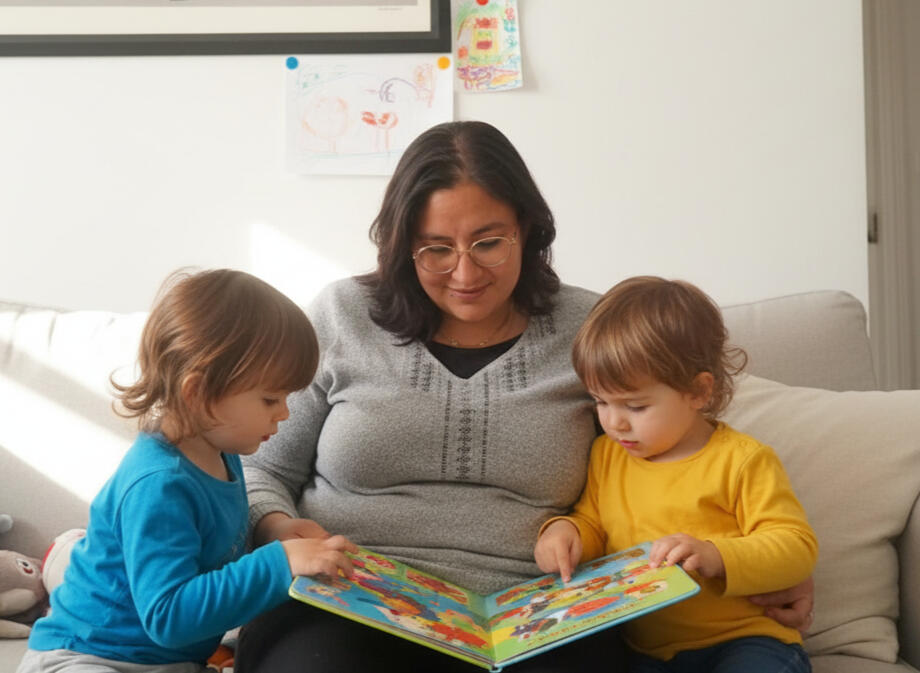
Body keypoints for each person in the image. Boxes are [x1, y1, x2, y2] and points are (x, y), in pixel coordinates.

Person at [236, 121, 815, 672]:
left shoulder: (592, 328)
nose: (464, 272)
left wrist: (750, 567)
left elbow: (676, 453)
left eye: (488, 243)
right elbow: (258, 468)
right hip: (348, 601)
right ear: (401, 244)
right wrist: (276, 527)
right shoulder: (342, 316)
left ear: (529, 231)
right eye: (435, 249)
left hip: (539, 616)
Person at [17, 269, 357, 673]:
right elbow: (168, 615)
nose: (284, 414)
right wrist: (278, 563)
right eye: (270, 399)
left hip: (166, 659)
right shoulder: (159, 485)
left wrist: (273, 533)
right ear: (198, 393)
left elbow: (210, 546)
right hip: (87, 655)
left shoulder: (221, 452)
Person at [534, 276, 818, 673]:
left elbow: (796, 548)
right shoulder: (607, 455)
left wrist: (715, 555)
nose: (614, 422)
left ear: (699, 392)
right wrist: (566, 533)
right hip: (648, 652)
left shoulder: (742, 460)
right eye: (600, 401)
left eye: (635, 406)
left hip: (744, 640)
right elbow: (594, 524)